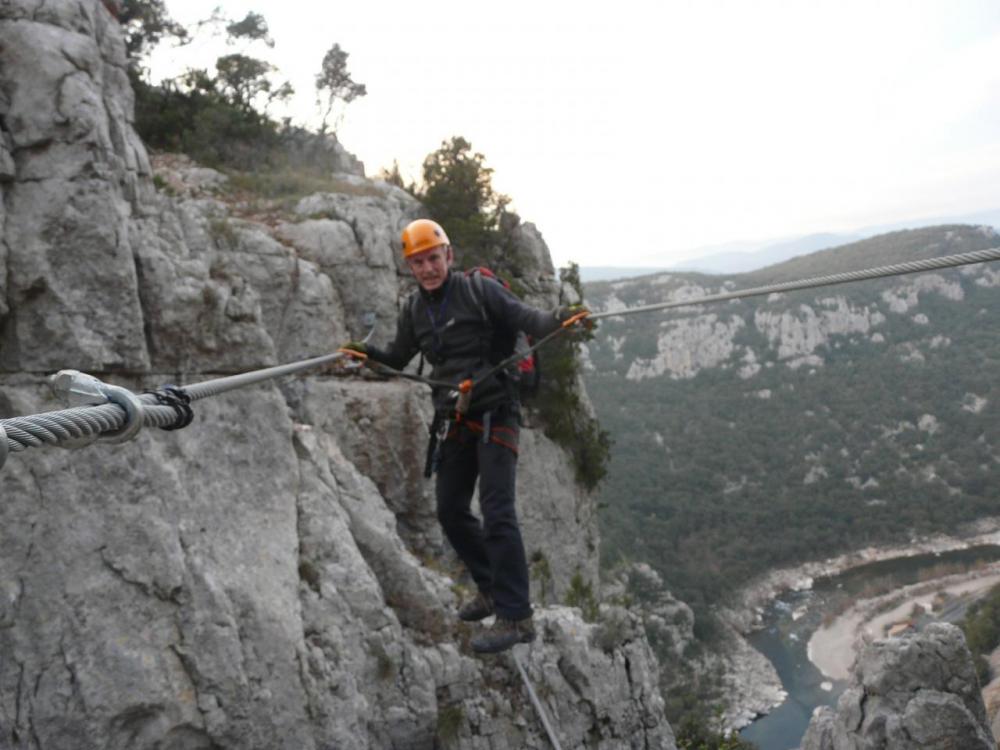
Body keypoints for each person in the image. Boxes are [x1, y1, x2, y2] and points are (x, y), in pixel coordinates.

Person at [340, 218, 587, 654]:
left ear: (448, 256)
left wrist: (560, 320)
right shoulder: (414, 310)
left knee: (497, 511)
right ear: (410, 267)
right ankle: (490, 588)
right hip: (455, 417)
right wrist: (369, 354)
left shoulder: (479, 290)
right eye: (418, 263)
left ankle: (516, 615)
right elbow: (400, 356)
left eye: (433, 258)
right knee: (451, 510)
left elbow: (526, 318)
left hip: (497, 412)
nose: (428, 269)